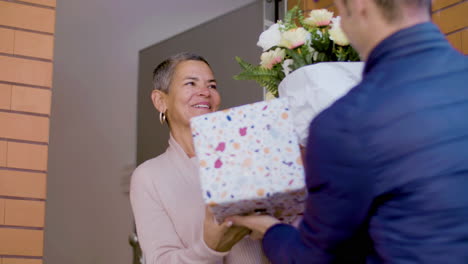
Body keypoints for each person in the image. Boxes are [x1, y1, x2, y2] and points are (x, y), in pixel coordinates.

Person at [229, 0, 468, 263]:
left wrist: (269, 228)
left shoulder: (346, 122)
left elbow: (315, 257)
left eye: (341, 10)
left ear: (359, 5)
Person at [130, 52, 268, 263]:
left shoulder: (247, 157)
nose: (204, 92)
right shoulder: (148, 176)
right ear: (160, 100)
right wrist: (210, 248)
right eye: (191, 83)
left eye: (212, 86)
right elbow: (160, 260)